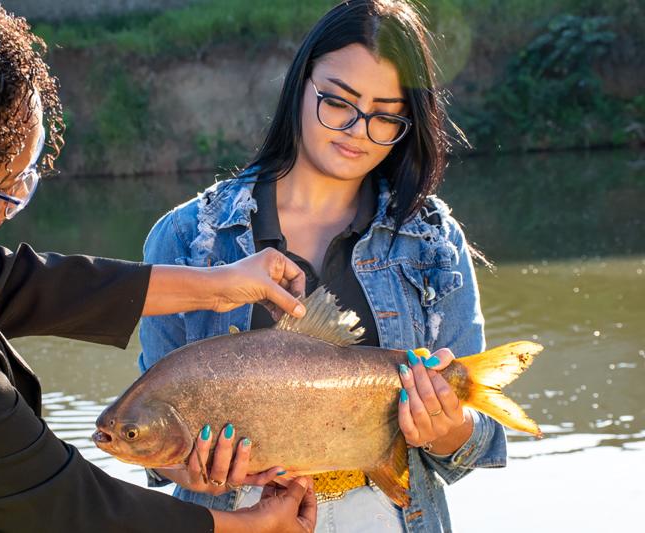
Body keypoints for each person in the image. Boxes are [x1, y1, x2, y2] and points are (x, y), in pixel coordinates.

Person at [0, 1, 318, 532]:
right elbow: (63, 503)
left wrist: (217, 286)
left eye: (30, 171)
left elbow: (16, 281)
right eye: (6, 186)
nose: (14, 205)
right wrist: (250, 527)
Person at [139, 0, 507, 531]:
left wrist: (445, 428)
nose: (358, 130)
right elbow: (154, 427)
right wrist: (190, 469)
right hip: (238, 518)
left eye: (385, 115)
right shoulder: (186, 237)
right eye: (338, 102)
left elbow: (475, 443)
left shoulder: (432, 241)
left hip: (392, 515)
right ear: (300, 83)